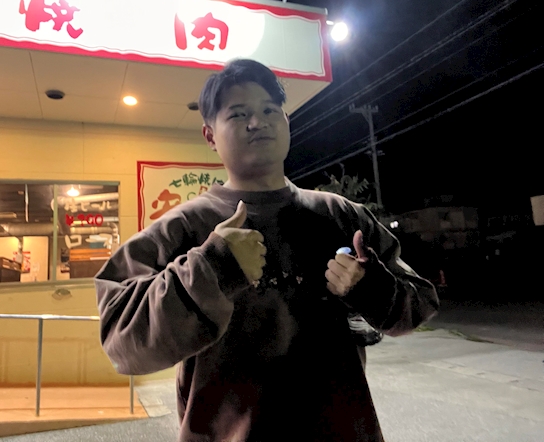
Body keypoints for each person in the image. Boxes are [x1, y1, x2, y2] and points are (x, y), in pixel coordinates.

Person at [95, 59, 439, 441]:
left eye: (270, 110)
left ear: (286, 122)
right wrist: (213, 268)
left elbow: (420, 303)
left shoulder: (341, 215)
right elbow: (120, 339)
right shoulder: (183, 227)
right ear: (210, 136)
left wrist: (370, 287)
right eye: (239, 114)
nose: (257, 122)